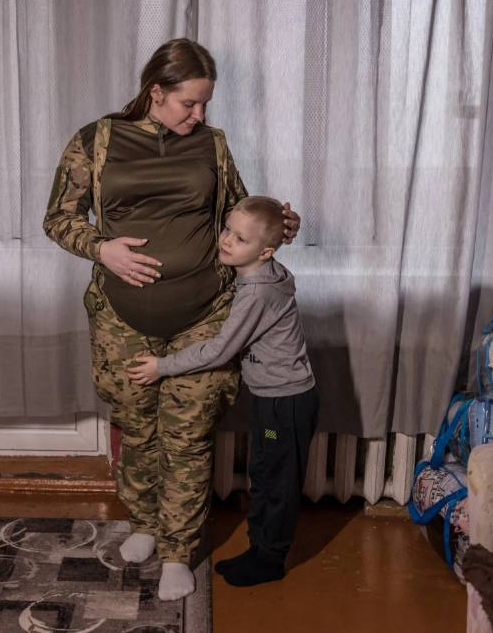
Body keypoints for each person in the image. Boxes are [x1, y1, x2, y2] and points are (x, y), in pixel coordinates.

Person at [43, 38, 301, 601]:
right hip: (122, 320)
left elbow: (239, 211)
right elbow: (58, 219)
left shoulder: (213, 144)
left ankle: (179, 551)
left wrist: (277, 221)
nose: (200, 115)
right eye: (189, 103)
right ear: (155, 92)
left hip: (205, 317)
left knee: (187, 438)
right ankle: (144, 525)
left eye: (206, 104)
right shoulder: (96, 141)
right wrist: (100, 247)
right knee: (138, 429)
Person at [128, 196, 318, 587]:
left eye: (241, 238)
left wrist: (161, 366)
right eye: (228, 230)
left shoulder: (257, 291)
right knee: (263, 474)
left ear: (264, 252)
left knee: (276, 481)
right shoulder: (266, 272)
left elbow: (220, 350)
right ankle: (258, 550)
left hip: (285, 404)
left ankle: (269, 559)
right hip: (276, 399)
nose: (227, 240)